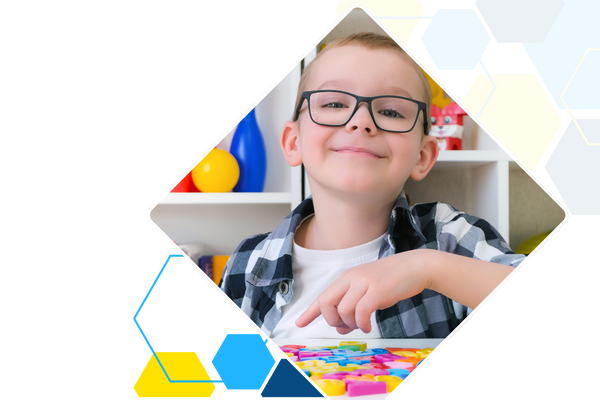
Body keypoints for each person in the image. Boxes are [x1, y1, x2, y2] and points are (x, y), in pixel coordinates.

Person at [219, 32, 525, 339]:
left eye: (391, 112)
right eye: (335, 103)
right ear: (293, 142)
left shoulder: (453, 239)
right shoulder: (247, 262)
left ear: (423, 156)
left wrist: (428, 269)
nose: (362, 121)